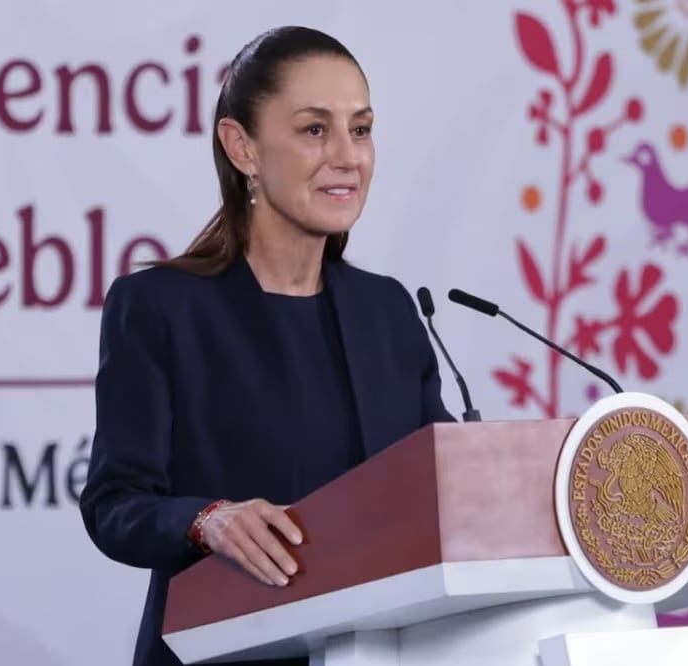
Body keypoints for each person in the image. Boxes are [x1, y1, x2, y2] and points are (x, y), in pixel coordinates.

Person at [78, 26, 455, 666]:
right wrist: (207, 520)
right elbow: (116, 505)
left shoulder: (388, 310)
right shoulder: (160, 308)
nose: (348, 156)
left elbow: (444, 485)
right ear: (242, 147)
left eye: (360, 130)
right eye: (315, 130)